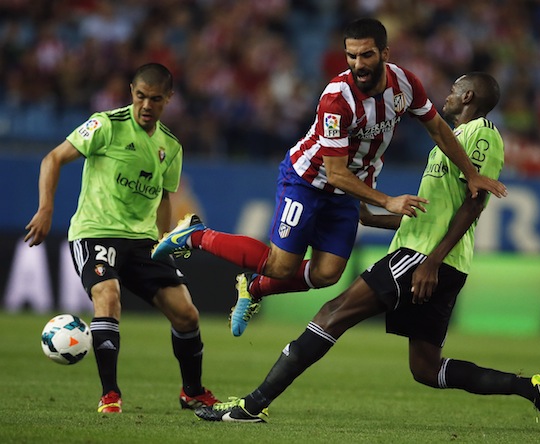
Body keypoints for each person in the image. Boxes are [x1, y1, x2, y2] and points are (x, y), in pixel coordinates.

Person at [193, 72, 540, 434]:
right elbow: (431, 216)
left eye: (456, 87)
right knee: (426, 369)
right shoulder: (454, 138)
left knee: (331, 314)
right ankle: (532, 388)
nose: (448, 93)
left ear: (469, 96)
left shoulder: (483, 134)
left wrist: (431, 261)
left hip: (423, 259)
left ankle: (251, 406)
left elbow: (474, 204)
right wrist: (371, 218)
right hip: (430, 257)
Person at [151, 18, 507, 338]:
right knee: (280, 264)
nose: (358, 64)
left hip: (347, 190)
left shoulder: (405, 84)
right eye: (351, 56)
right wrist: (384, 201)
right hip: (308, 179)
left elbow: (440, 132)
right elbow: (335, 172)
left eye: (366, 55)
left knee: (327, 274)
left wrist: (471, 174)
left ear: (384, 53)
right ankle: (195, 235)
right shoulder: (337, 100)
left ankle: (254, 289)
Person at [24, 63, 219, 413]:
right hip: (96, 232)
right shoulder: (105, 125)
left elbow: (163, 196)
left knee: (187, 315)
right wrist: (46, 210)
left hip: (143, 242)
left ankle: (192, 391)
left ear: (168, 99)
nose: (146, 105)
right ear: (132, 91)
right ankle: (110, 394)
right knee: (108, 295)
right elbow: (53, 159)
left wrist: (163, 238)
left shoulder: (170, 147)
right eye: (140, 96)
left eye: (155, 99)